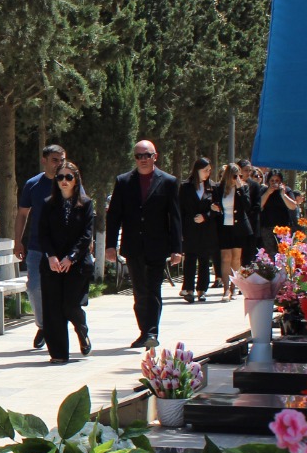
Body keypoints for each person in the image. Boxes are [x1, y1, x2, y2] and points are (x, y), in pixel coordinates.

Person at [104, 139, 183, 349]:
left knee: (153, 289)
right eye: (139, 156)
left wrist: (177, 248)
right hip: (133, 245)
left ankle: (152, 332)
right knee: (139, 291)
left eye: (147, 155)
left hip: (157, 245)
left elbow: (174, 217)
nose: (143, 160)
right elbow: (114, 216)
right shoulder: (123, 181)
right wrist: (110, 245)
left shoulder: (168, 181)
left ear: (155, 156)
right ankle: (144, 331)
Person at [36, 161, 94, 363]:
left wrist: (71, 257)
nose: (64, 181)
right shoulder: (48, 204)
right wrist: (51, 256)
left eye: (69, 177)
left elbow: (86, 236)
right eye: (60, 177)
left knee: (69, 306)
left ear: (76, 180)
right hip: (52, 264)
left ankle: (81, 327)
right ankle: (58, 353)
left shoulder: (86, 203)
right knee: (53, 309)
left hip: (76, 264)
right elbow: (42, 233)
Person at [14, 145, 66, 350]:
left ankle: (75, 328)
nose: (59, 164)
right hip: (37, 247)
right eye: (55, 160)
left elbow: (83, 208)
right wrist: (18, 241)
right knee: (34, 287)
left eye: (62, 159)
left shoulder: (70, 181)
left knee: (66, 293)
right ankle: (44, 326)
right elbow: (22, 214)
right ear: (44, 160)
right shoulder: (33, 185)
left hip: (64, 249)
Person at [177, 157, 221, 302]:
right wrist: (181, 230)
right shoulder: (186, 187)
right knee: (190, 258)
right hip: (190, 228)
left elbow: (217, 208)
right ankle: (188, 289)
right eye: (205, 170)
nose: (208, 173)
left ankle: (202, 289)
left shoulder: (213, 187)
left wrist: (206, 216)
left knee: (204, 259)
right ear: (197, 170)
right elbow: (180, 209)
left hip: (207, 229)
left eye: (209, 170)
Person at [215, 163, 254, 300]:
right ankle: (226, 289)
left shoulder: (243, 188)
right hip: (224, 227)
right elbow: (214, 203)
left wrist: (240, 188)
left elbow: (247, 206)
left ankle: (234, 286)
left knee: (236, 258)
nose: (236, 178)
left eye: (239, 175)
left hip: (239, 227)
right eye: (234, 175)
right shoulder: (220, 189)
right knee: (225, 258)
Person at [258, 170, 303, 255]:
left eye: (277, 180)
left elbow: (293, 206)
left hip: (283, 227)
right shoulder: (264, 190)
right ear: (268, 181)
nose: (274, 183)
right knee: (271, 254)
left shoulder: (287, 190)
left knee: (284, 253)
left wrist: (283, 195)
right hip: (267, 227)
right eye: (272, 180)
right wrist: (268, 193)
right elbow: (259, 205)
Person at [238, 159, 266, 257]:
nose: (248, 173)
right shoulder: (233, 184)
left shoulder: (254, 185)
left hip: (251, 224)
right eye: (246, 170)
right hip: (237, 225)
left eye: (250, 170)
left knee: (249, 255)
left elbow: (257, 206)